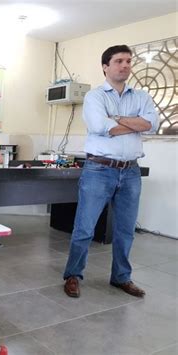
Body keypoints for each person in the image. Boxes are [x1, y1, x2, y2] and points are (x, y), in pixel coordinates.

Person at [63, 45, 158, 299]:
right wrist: (133, 122)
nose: (125, 65)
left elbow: (151, 125)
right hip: (99, 170)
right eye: (119, 61)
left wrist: (116, 118)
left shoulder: (141, 97)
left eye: (128, 61)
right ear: (105, 66)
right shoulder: (95, 96)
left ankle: (121, 277)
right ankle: (73, 275)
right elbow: (99, 126)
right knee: (85, 227)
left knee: (126, 229)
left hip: (130, 172)